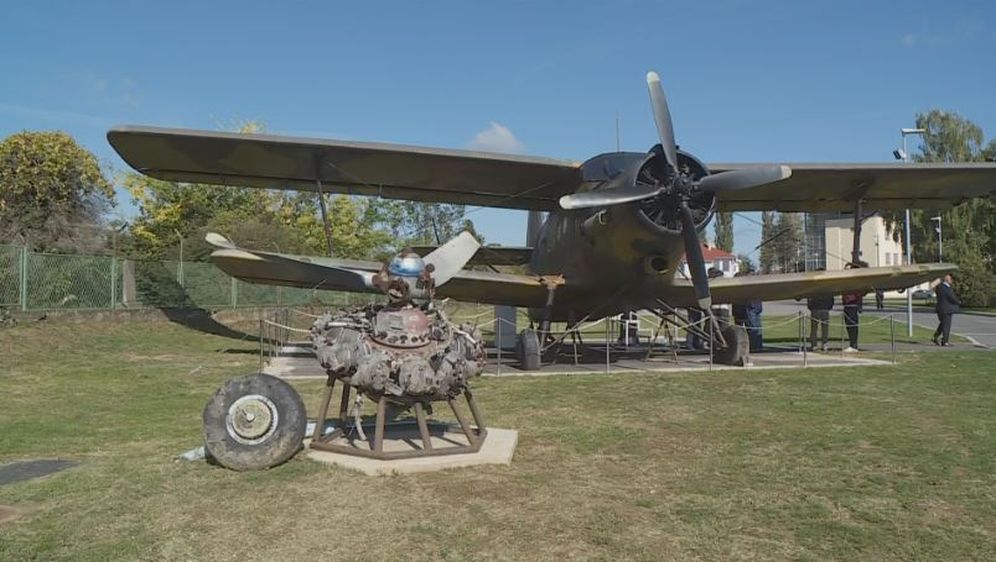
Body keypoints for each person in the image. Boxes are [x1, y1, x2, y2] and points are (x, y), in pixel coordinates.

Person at [932, 273, 961, 346]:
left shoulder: (939, 287)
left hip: (940, 309)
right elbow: (951, 297)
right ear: (948, 279)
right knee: (946, 325)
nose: (952, 281)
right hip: (947, 309)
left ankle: (935, 337)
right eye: (951, 279)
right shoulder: (946, 288)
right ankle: (945, 341)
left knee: (943, 324)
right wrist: (958, 301)